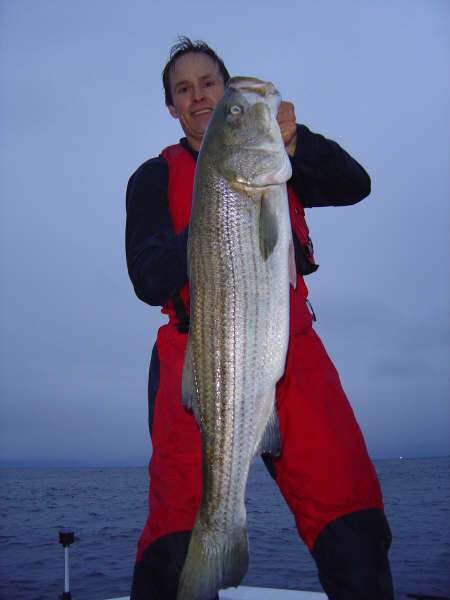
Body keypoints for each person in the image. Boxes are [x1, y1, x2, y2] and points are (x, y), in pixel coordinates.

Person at [125, 36, 394, 600]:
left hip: (293, 348)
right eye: (184, 89)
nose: (200, 97)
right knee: (176, 538)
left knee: (353, 521)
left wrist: (296, 143)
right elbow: (148, 278)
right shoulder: (151, 177)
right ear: (172, 107)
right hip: (201, 358)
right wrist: (213, 222)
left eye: (210, 85)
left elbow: (356, 184)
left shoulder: (279, 164)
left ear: (223, 92)